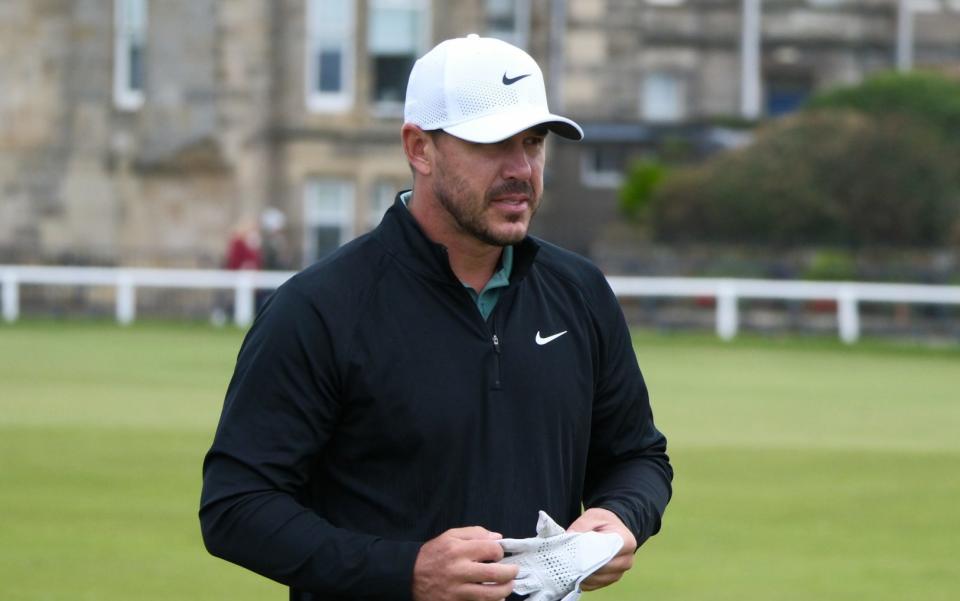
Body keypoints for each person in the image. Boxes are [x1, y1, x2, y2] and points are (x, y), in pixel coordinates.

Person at [200, 34, 672, 601]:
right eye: (493, 143)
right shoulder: (318, 307)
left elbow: (637, 455)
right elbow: (236, 506)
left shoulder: (580, 292)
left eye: (534, 141)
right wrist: (406, 571)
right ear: (419, 148)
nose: (521, 168)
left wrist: (620, 516)